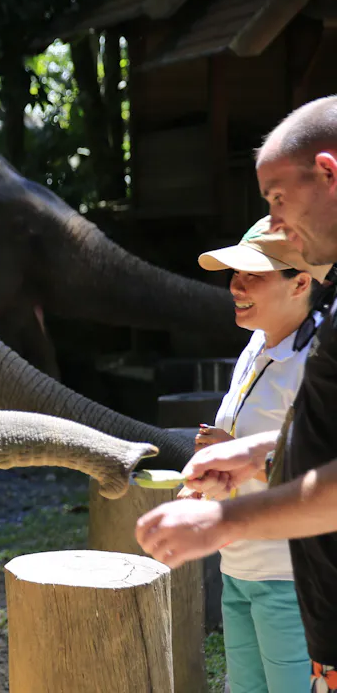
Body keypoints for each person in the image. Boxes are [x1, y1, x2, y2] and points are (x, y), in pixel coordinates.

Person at [134, 94, 337, 691]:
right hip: (250, 568)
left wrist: (222, 518)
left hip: (287, 572)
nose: (277, 223)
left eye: (278, 199)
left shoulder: (312, 351)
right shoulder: (259, 349)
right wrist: (244, 456)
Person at [177, 215, 329, 692]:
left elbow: (323, 477)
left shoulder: (320, 364)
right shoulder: (254, 346)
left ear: (301, 282)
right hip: (237, 568)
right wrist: (199, 485)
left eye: (253, 275)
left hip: (290, 580)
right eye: (234, 274)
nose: (235, 286)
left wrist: (235, 456)